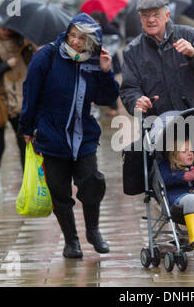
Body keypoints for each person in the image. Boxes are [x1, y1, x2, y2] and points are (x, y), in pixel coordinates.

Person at [20, 13, 120, 259]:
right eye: (73, 35)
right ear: (67, 33)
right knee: (59, 190)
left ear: (91, 41)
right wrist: (26, 127)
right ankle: (71, 240)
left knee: (92, 181)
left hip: (83, 134)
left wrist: (107, 72)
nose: (75, 42)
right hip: (51, 134)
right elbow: (30, 92)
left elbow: (106, 99)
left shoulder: (95, 61)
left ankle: (93, 231)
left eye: (82, 38)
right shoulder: (47, 56)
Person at [120, 0, 194, 116]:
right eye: (146, 15)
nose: (151, 20)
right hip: (155, 124)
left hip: (191, 121)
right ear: (140, 18)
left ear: (167, 15)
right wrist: (136, 101)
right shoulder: (132, 50)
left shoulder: (189, 35)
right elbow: (129, 89)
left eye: (156, 14)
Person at [0, 19, 35, 192]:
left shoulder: (24, 46)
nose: (4, 29)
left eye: (8, 27)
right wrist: (6, 65)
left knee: (24, 142)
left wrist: (32, 48)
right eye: (1, 26)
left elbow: (36, 68)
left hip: (20, 101)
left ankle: (27, 181)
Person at [159, 139, 194, 249]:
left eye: (191, 151)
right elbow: (165, 180)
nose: (190, 153)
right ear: (174, 156)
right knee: (191, 199)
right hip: (177, 199)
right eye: (184, 151)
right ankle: (193, 235)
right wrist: (183, 177)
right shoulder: (167, 167)